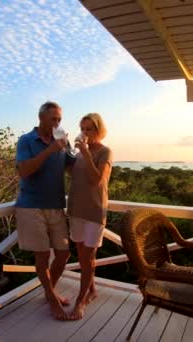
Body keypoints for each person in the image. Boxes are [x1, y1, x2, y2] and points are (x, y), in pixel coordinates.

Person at [15, 101, 74, 320]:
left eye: (59, 119)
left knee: (64, 253)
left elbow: (72, 168)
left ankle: (50, 292)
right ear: (41, 118)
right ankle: (52, 298)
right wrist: (50, 150)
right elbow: (24, 171)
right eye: (54, 119)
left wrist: (84, 149)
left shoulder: (62, 141)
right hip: (31, 206)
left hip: (56, 206)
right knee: (42, 256)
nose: (58, 123)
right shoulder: (26, 140)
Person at [66, 113, 113, 320]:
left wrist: (84, 152)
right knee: (82, 256)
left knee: (89, 258)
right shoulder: (78, 154)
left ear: (98, 130)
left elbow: (97, 181)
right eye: (82, 129)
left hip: (94, 211)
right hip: (76, 209)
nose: (85, 133)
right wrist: (64, 151)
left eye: (89, 129)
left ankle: (80, 300)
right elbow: (73, 174)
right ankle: (92, 290)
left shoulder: (105, 152)